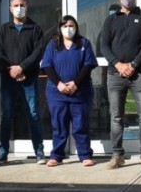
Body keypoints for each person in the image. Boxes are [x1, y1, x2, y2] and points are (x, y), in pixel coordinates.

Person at [99, 0, 141, 169]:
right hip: (115, 75)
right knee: (116, 117)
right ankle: (117, 155)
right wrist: (118, 64)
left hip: (139, 74)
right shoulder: (110, 20)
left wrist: (132, 65)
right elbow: (104, 46)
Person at [0, 0, 47, 165]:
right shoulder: (3, 30)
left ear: (27, 7)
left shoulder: (36, 29)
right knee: (6, 115)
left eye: (22, 5)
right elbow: (0, 55)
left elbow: (38, 52)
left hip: (29, 79)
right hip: (8, 80)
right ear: (10, 9)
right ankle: (3, 153)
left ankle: (39, 152)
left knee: (33, 114)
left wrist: (22, 68)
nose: (19, 8)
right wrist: (12, 71)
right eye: (15, 5)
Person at [40, 15, 98, 167]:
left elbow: (88, 65)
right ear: (60, 28)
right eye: (65, 26)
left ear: (76, 27)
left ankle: (85, 155)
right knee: (59, 126)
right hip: (57, 93)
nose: (68, 29)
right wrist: (59, 84)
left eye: (71, 25)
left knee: (80, 125)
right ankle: (56, 156)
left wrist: (75, 84)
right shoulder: (53, 44)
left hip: (80, 93)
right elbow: (47, 65)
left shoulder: (84, 43)